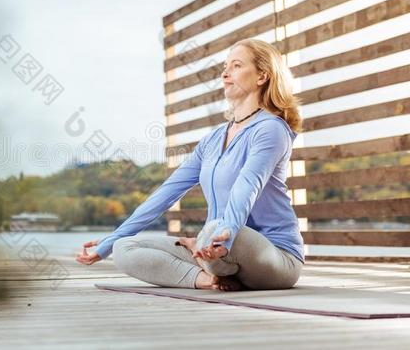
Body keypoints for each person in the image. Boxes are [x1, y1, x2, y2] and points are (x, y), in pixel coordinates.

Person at [76, 38, 305, 291]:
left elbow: (248, 184)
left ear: (262, 76)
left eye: (236, 66)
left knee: (212, 229)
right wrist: (108, 242)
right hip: (215, 250)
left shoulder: (271, 129)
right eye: (225, 66)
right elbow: (166, 194)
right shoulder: (213, 139)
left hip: (274, 257)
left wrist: (224, 234)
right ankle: (209, 279)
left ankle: (212, 254)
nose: (225, 73)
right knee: (124, 248)